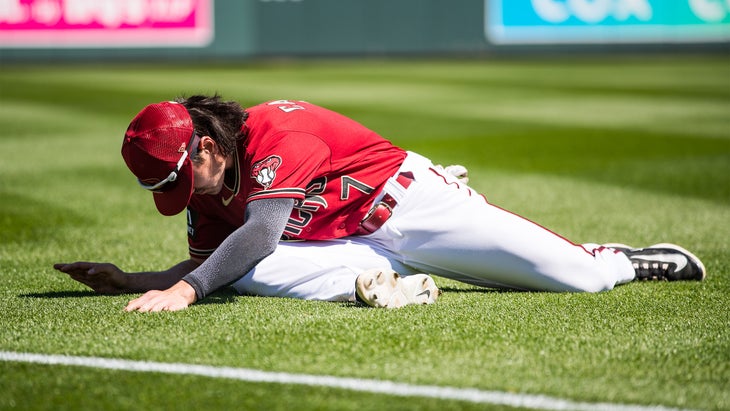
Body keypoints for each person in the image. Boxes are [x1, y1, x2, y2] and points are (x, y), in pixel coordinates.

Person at [54, 95, 706, 312]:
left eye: (177, 179)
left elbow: (259, 233)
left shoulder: (278, 135)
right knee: (238, 268)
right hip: (348, 245)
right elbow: (225, 260)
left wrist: (187, 290)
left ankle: (622, 257)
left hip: (411, 207)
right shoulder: (205, 192)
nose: (180, 195)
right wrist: (128, 281)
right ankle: (375, 287)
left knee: (580, 280)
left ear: (202, 147)